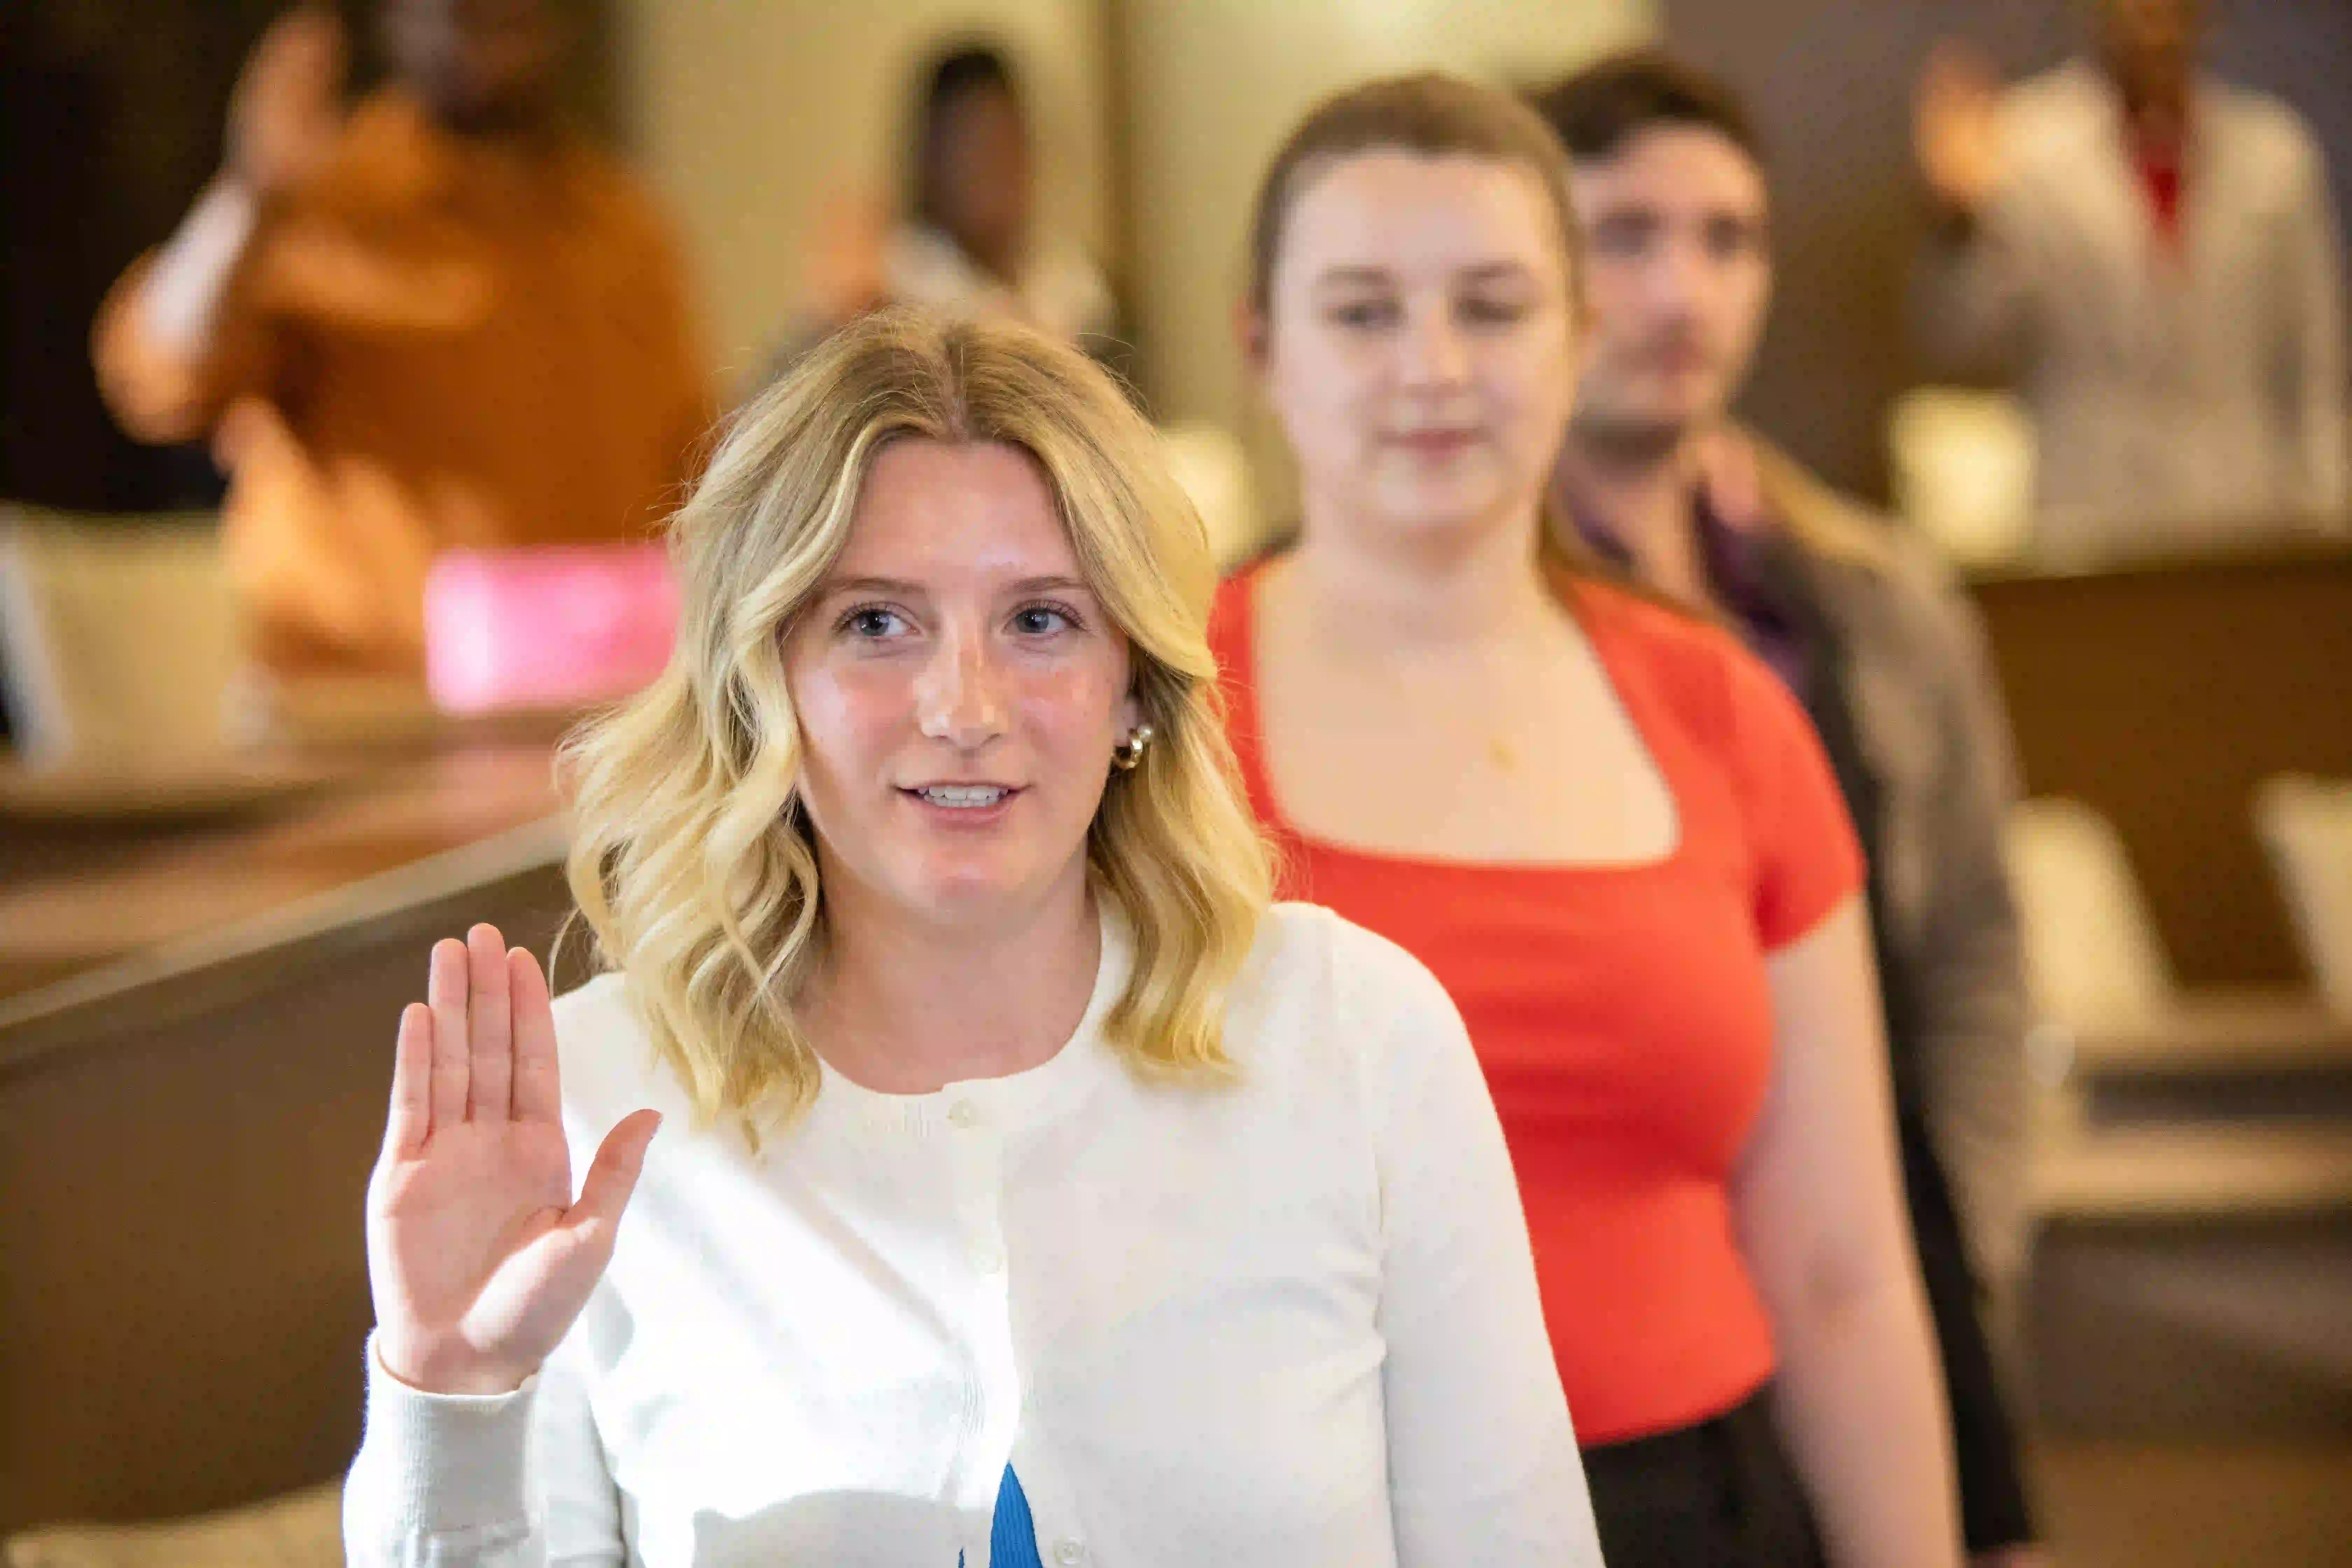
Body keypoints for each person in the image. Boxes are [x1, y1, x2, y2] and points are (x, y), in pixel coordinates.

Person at [339, 308, 1604, 1566]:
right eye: (875, 624)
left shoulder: (1353, 1034)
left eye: (1039, 620)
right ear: (762, 679)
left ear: (1133, 684)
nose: (962, 707)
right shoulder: (584, 1102)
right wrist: (450, 1391)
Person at [1216, 73, 1963, 1567]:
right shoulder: (1146, 721)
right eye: (1360, 312)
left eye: (1492, 307)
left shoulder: (1723, 710)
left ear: (1575, 334)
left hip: (1702, 1509)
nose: (1430, 366)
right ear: (1262, 350)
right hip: (1300, 1517)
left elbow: (1838, 1271)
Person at [1537, 50, 2040, 1568]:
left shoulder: (1875, 599)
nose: (1679, 292)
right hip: (1610, 1356)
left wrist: (1962, 1249)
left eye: (1725, 239)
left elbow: (1968, 956)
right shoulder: (1457, 632)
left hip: (1881, 1270)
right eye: (1623, 237)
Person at [92, 0, 712, 676]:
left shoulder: (625, 229)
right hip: (359, 701)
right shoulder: (325, 198)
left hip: (595, 702)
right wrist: (248, 197)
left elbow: (692, 473)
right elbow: (163, 371)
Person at [1910, 0, 2347, 551]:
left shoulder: (2275, 155)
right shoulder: (2024, 143)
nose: (2154, 23)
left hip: (2246, 510)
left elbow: (2318, 363)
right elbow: (1963, 345)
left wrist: (2329, 525)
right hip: (2090, 516)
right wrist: (1959, 222)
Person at [785, 44, 1119, 371]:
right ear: (929, 160)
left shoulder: (1079, 290)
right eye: (971, 147)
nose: (992, 167)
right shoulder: (878, 302)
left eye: (1005, 142)